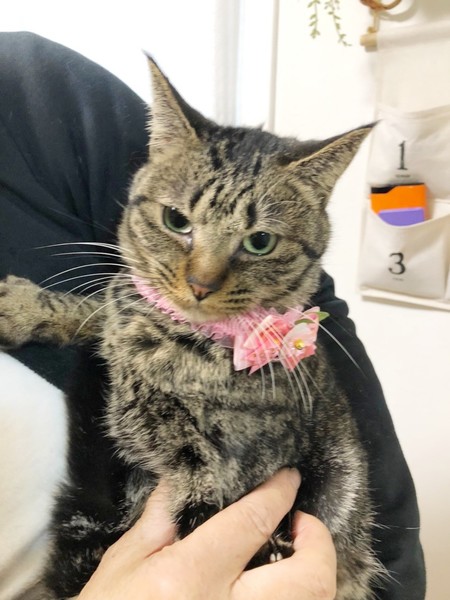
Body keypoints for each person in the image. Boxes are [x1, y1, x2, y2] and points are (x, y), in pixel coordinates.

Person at [0, 32, 425, 599]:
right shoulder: (133, 285)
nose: (202, 279)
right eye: (179, 222)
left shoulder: (33, 90)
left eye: (258, 242)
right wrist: (58, 313)